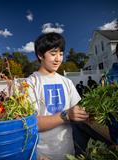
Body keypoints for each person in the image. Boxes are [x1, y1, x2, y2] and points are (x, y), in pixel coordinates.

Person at [26, 32, 89, 160]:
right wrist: (66, 115)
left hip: (68, 153)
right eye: (53, 54)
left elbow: (78, 112)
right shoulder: (30, 83)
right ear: (40, 55)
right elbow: (31, 124)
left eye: (61, 54)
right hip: (41, 155)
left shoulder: (67, 82)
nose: (58, 59)